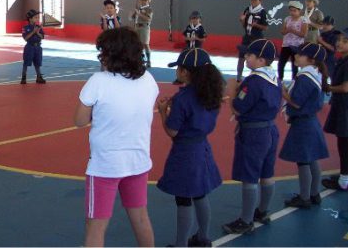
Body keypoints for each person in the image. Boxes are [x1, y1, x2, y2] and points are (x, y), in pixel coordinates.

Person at [74, 27, 158, 247]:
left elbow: (80, 120)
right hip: (138, 161)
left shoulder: (98, 81)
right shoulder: (148, 80)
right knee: (140, 216)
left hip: (105, 165)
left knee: (96, 226)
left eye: (103, 52)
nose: (101, 56)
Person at [158, 48, 224, 247]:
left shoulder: (183, 98)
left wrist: (163, 112)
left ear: (185, 72)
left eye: (178, 68)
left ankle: (180, 244)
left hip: (186, 152)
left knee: (184, 197)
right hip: (202, 147)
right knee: (200, 194)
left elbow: (172, 131)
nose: (177, 71)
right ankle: (203, 237)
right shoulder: (211, 94)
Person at [222, 39, 282, 235]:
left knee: (249, 175)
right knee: (267, 173)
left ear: (261, 59)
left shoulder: (254, 81)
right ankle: (263, 211)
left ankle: (246, 220)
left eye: (249, 55)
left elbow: (239, 107)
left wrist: (231, 92)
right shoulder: (275, 78)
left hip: (254, 132)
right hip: (270, 130)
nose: (245, 58)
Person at [278, 43, 329, 208]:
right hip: (311, 121)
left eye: (300, 54)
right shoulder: (317, 74)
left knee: (303, 161)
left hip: (303, 124)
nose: (296, 57)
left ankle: (304, 196)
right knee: (312, 159)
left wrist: (284, 94)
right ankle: (315, 193)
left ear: (311, 59)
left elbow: (297, 103)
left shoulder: (305, 78)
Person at [322, 28, 348, 191]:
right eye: (339, 40)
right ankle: (344, 174)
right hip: (342, 106)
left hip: (345, 108)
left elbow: (345, 88)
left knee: (344, 144)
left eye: (344, 41)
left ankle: (344, 180)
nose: (339, 43)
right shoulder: (343, 60)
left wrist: (328, 88)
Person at [236, 0, 268, 82]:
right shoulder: (247, 9)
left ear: (260, 0)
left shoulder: (262, 12)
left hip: (256, 38)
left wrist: (255, 25)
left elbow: (265, 27)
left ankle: (255, 77)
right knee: (241, 56)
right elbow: (244, 25)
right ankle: (239, 77)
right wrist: (242, 20)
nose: (253, 1)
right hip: (247, 36)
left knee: (255, 58)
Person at [277, 1, 308, 83]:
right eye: (291, 10)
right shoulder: (287, 19)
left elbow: (303, 34)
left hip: (297, 45)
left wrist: (293, 31)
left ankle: (294, 81)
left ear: (299, 11)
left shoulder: (303, 20)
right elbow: (282, 31)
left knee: (295, 64)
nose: (292, 12)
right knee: (281, 63)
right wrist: (287, 30)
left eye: (295, 11)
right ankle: (280, 79)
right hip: (286, 44)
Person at [20, 9, 46, 85]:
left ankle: (39, 77)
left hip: (38, 47)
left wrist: (37, 32)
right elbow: (26, 38)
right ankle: (23, 77)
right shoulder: (26, 28)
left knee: (37, 62)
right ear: (30, 19)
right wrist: (33, 32)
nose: (37, 19)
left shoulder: (38, 27)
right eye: (35, 17)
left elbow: (42, 36)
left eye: (38, 17)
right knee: (26, 62)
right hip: (29, 47)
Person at [130, 0, 153, 67]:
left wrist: (139, 14)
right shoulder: (139, 8)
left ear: (149, 1)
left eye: (145, 0)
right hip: (137, 27)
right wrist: (133, 13)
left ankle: (148, 60)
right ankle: (140, 59)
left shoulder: (149, 9)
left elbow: (148, 19)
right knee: (137, 44)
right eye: (142, 0)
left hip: (144, 27)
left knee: (145, 44)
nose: (143, 1)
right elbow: (131, 18)